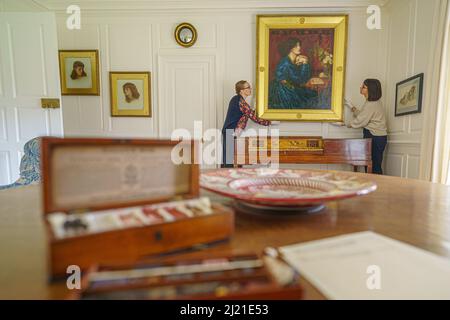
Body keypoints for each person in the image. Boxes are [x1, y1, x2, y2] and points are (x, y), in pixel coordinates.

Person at [221, 80, 271, 168]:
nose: (250, 89)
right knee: (229, 158)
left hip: (232, 131)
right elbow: (252, 116)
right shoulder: (239, 100)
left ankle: (228, 176)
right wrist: (269, 122)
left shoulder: (239, 100)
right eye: (248, 87)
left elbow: (249, 113)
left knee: (231, 157)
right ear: (241, 90)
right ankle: (225, 177)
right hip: (230, 130)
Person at [344, 79, 387, 174]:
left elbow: (361, 120)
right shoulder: (371, 102)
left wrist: (345, 124)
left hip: (375, 137)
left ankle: (377, 187)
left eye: (363, 87)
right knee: (372, 164)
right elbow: (364, 115)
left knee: (374, 166)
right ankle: (373, 186)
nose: (360, 87)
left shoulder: (371, 104)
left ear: (370, 90)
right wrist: (352, 107)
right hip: (376, 136)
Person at [268, 38, 318, 109]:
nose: (299, 47)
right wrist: (305, 63)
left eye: (299, 45)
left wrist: (303, 63)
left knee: (313, 95)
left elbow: (304, 78)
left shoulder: (294, 60)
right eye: (296, 46)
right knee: (309, 99)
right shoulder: (286, 63)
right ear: (290, 48)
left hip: (291, 87)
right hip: (284, 91)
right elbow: (300, 80)